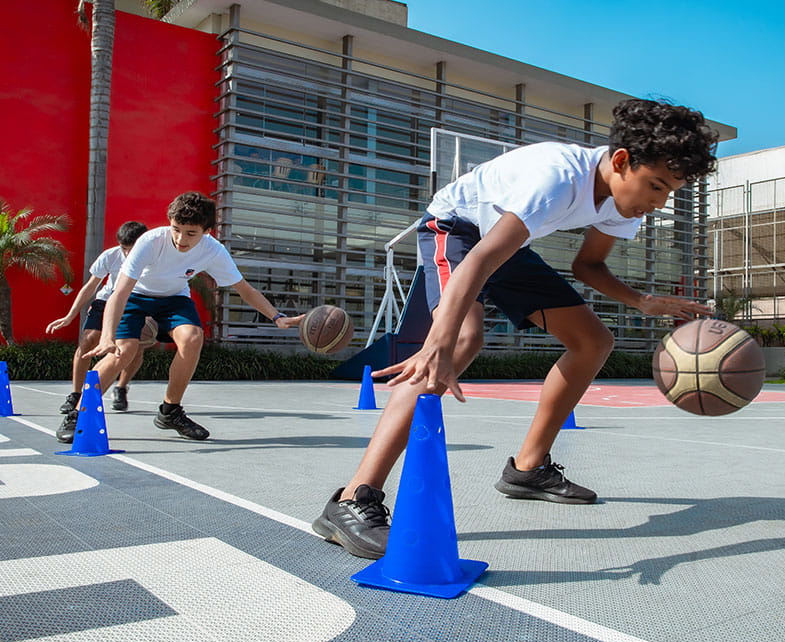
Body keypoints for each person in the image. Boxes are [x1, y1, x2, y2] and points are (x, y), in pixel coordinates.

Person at [312, 98, 719, 559]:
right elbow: (481, 259)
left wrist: (642, 301)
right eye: (656, 186)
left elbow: (589, 266)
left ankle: (527, 469)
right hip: (457, 229)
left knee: (593, 341)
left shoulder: (623, 206)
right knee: (462, 341)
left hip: (505, 240)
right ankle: (353, 499)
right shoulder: (556, 178)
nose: (660, 201)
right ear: (622, 161)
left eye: (671, 192)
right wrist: (438, 345)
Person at [76, 192, 300, 441]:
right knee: (123, 351)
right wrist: (107, 337)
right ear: (169, 222)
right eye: (176, 229)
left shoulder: (214, 250)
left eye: (190, 233)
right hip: (136, 296)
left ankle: (170, 411)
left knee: (193, 337)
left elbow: (244, 289)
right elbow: (120, 292)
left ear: (207, 231)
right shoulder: (150, 241)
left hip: (174, 298)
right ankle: (78, 415)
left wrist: (277, 316)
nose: (181, 239)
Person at [48, 221, 152, 442]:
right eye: (124, 248)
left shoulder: (156, 258)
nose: (126, 253)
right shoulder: (110, 256)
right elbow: (90, 286)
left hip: (137, 303)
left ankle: (121, 387)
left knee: (133, 348)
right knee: (88, 341)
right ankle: (76, 394)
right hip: (107, 300)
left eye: (130, 249)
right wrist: (70, 315)